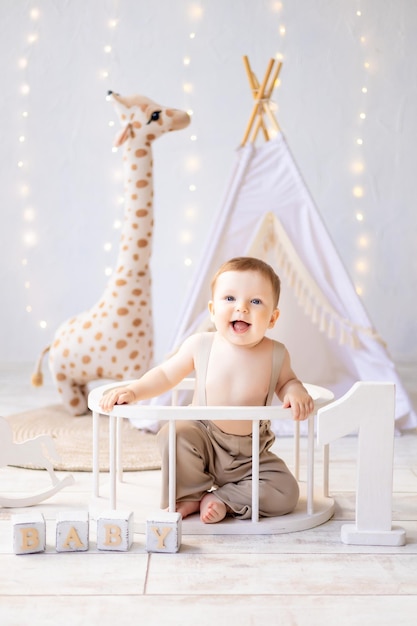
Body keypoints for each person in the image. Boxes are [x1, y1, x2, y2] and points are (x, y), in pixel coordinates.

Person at [99, 256, 314, 523]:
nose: (242, 308)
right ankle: (189, 495)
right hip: (202, 437)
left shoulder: (276, 353)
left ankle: (223, 498)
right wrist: (134, 391)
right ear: (212, 310)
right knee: (175, 433)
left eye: (255, 302)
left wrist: (295, 391)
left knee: (287, 491)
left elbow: (287, 383)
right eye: (230, 299)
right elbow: (166, 374)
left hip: (251, 454)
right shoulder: (200, 344)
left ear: (272, 318)